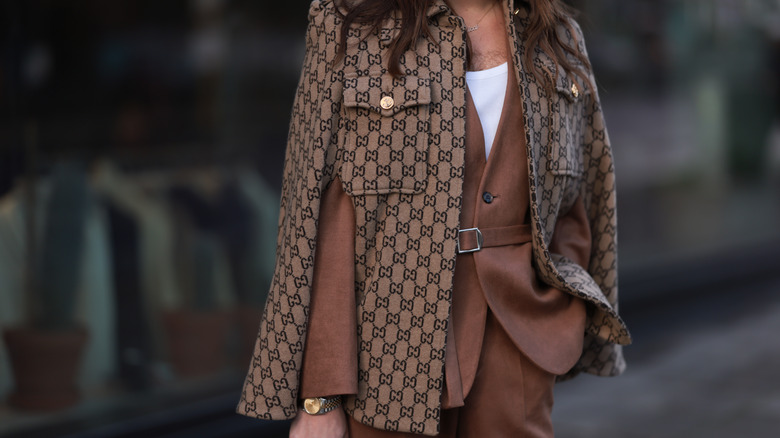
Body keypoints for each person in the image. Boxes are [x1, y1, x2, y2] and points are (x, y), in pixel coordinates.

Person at [236, 0, 631, 436]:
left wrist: (563, 304)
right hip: (385, 355)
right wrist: (321, 395)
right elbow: (316, 211)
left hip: (516, 342)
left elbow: (588, 190)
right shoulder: (350, 21)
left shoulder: (558, 33)